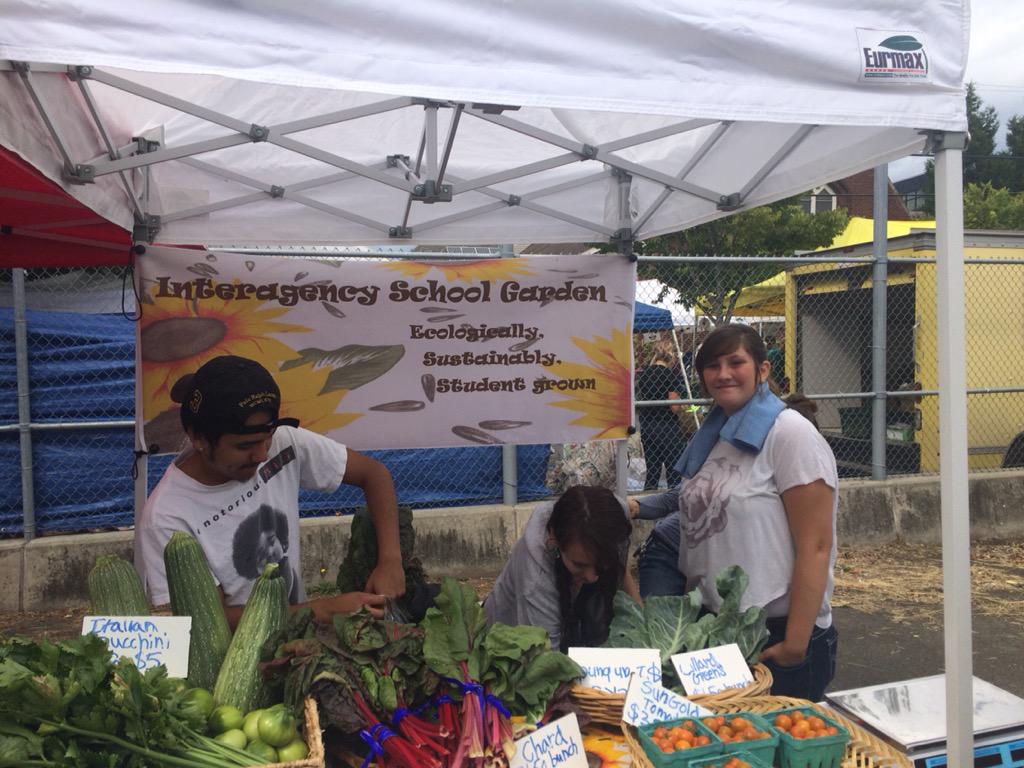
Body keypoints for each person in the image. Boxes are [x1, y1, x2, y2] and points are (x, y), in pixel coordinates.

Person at [629, 324, 838, 701]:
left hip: (775, 633)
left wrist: (796, 641)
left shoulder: (790, 434)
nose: (723, 373)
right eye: (712, 365)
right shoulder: (713, 436)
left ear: (763, 369)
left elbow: (817, 545)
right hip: (717, 630)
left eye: (735, 362)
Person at [134, 355, 406, 628]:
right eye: (244, 446)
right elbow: (208, 622)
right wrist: (323, 610)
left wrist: (391, 561)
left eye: (268, 439)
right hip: (230, 661)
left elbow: (374, 475)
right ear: (198, 438)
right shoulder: (166, 518)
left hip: (294, 640)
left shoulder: (285, 443)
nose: (262, 454)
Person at [483, 485, 640, 652]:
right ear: (554, 538)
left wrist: (641, 619)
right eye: (580, 565)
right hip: (509, 642)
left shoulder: (615, 514)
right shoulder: (536, 581)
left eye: (602, 562)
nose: (593, 577)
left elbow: (620, 570)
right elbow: (549, 664)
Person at [636, 341, 686, 490]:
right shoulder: (670, 375)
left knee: (652, 468)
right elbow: (674, 407)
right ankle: (673, 498)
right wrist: (683, 404)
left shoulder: (645, 375)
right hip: (667, 425)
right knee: (673, 466)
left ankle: (648, 497)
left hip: (647, 425)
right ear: (671, 356)